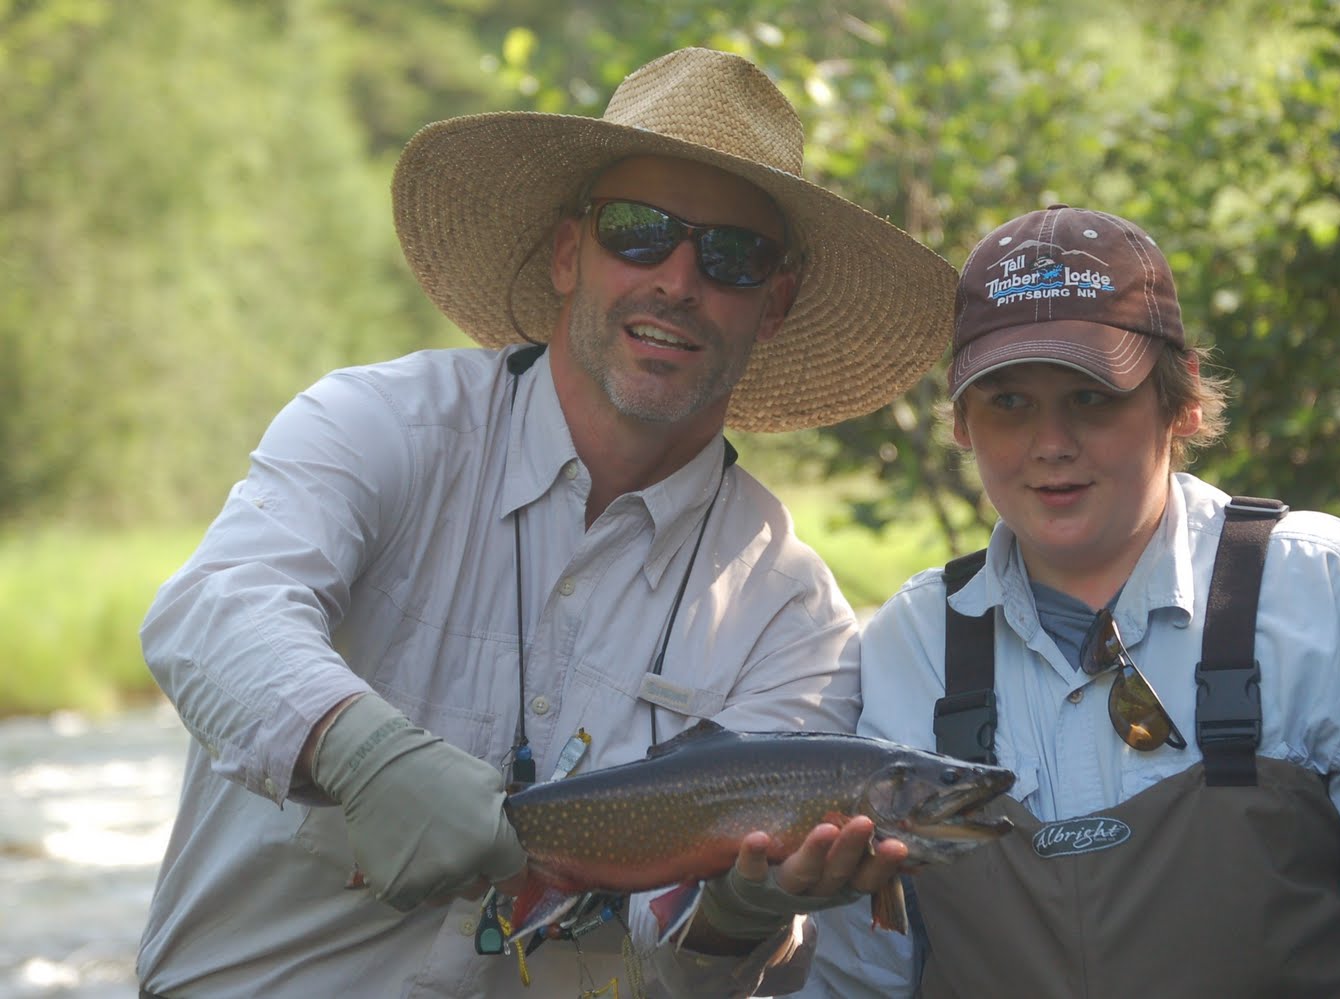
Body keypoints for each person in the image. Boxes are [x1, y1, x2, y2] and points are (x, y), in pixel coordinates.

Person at [136, 47, 956, 999]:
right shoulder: (379, 426)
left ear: (772, 304)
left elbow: (672, 969)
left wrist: (744, 914)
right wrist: (362, 751)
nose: (680, 281)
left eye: (733, 254)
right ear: (570, 253)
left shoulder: (792, 618)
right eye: (640, 233)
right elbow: (211, 614)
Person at [800, 204, 1340, 997]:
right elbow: (858, 976)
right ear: (961, 422)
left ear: (1181, 398)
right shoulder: (911, 645)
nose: (1052, 441)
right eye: (1009, 402)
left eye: (1092, 397)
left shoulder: (1335, 597)